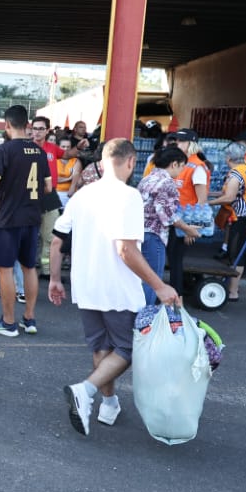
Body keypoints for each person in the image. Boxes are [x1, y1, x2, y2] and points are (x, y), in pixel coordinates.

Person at [48, 139, 180, 437]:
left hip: (85, 285)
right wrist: (159, 286)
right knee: (129, 349)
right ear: (131, 161)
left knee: (102, 347)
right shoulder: (129, 196)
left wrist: (55, 278)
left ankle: (108, 404)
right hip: (117, 287)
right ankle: (86, 390)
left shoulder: (82, 195)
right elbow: (126, 251)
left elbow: (57, 241)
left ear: (102, 161)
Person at [0, 105, 52, 338]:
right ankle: (29, 318)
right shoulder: (39, 152)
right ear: (28, 125)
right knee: (29, 267)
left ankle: (8, 322)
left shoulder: (5, 150)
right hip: (31, 217)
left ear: (7, 125)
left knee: (5, 269)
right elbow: (49, 187)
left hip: (9, 218)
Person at [137, 147, 202, 306]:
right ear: (174, 164)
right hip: (154, 235)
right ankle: (144, 320)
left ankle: (139, 316)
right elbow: (166, 215)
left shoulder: (148, 178)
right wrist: (188, 229)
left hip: (140, 232)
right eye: (181, 166)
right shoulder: (167, 182)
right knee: (153, 280)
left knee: (143, 277)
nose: (181, 171)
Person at [205, 142, 246, 303]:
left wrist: (206, 202)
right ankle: (232, 287)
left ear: (228, 157)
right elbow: (229, 193)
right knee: (235, 252)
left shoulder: (236, 174)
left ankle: (233, 291)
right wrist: (209, 194)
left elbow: (229, 197)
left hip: (242, 217)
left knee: (236, 254)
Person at [168, 129, 209, 296]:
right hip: (176, 219)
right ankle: (174, 293)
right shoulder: (183, 163)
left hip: (185, 222)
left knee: (176, 260)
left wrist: (192, 228)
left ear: (191, 144)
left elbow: (201, 201)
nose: (177, 144)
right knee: (173, 259)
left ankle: (176, 296)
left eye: (180, 141)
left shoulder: (197, 167)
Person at [30, 116, 64, 277]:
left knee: (49, 236)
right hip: (29, 196)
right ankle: (27, 268)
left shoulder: (52, 148)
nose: (37, 132)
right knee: (28, 235)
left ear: (47, 130)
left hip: (50, 196)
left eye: (41, 129)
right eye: (35, 128)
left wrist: (78, 148)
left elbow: (67, 154)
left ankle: (46, 270)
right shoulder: (26, 148)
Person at [54, 134, 82, 206]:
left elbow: (76, 174)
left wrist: (72, 186)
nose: (66, 149)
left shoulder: (75, 161)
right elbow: (54, 179)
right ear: (58, 147)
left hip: (70, 193)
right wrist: (69, 178)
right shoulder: (53, 160)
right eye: (63, 146)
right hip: (55, 193)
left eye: (68, 147)